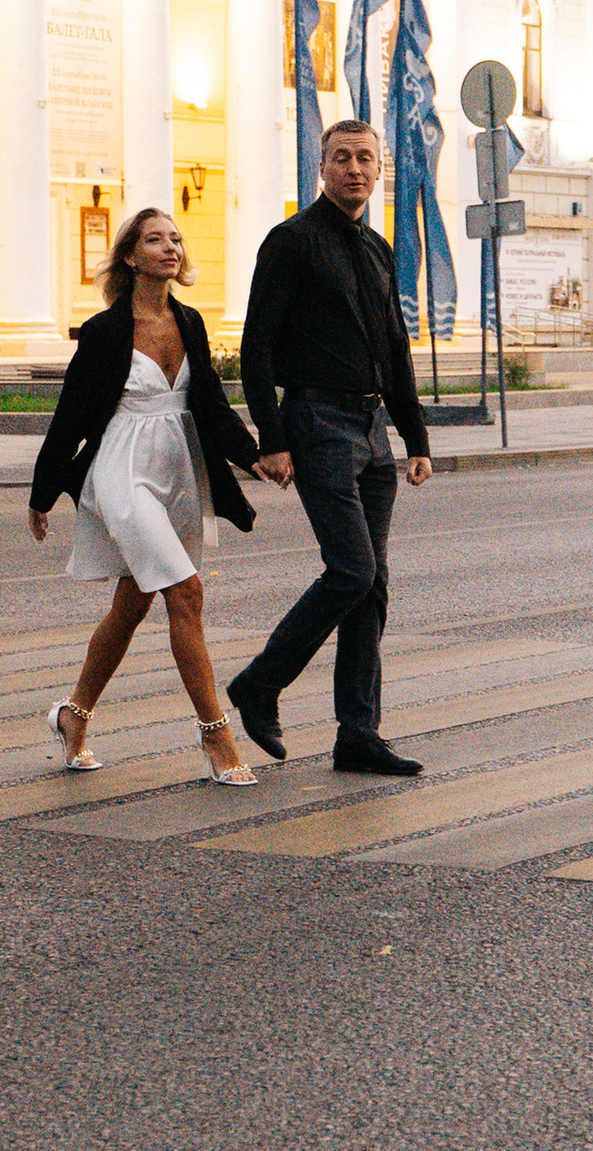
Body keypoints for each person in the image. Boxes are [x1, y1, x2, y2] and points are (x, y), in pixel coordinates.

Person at [28, 208, 276, 786]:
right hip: (123, 468)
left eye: (176, 239)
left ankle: (74, 715)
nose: (170, 247)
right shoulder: (104, 330)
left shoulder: (190, 321)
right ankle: (216, 735)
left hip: (178, 469)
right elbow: (71, 414)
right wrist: (42, 491)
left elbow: (210, 404)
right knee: (186, 591)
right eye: (155, 239)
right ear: (131, 256)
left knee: (133, 603)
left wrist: (255, 456)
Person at [226, 117, 434, 778]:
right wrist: (272, 439)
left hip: (372, 431)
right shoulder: (292, 241)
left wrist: (415, 437)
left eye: (365, 158)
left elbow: (394, 348)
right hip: (316, 421)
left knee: (372, 585)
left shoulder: (376, 248)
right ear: (322, 167)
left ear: (378, 170)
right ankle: (260, 683)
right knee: (352, 571)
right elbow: (256, 345)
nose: (354, 169)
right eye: (341, 157)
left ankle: (358, 734)